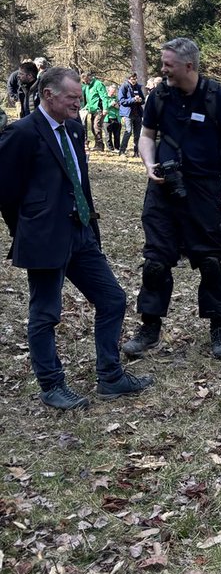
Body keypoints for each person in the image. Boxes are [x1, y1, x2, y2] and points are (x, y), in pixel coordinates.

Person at [0, 67, 151, 409]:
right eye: (72, 97)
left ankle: (110, 377)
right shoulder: (22, 133)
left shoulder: (73, 126)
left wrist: (89, 226)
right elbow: (5, 192)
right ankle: (52, 385)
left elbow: (79, 181)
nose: (78, 103)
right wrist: (26, 228)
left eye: (79, 98)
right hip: (44, 237)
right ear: (48, 95)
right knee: (46, 313)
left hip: (81, 233)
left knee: (112, 298)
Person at [125, 38, 221, 361]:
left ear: (188, 66)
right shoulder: (159, 96)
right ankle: (150, 326)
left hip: (206, 190)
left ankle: (218, 326)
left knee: (210, 262)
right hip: (163, 189)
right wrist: (149, 164)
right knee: (155, 261)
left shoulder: (216, 96)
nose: (163, 69)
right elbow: (146, 136)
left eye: (168, 64)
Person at [118, 72, 145, 157]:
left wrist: (140, 100)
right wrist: (133, 99)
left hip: (138, 113)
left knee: (137, 134)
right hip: (128, 113)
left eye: (135, 79)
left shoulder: (138, 87)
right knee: (128, 131)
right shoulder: (124, 87)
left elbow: (143, 100)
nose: (134, 81)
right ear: (129, 79)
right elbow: (122, 101)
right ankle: (122, 151)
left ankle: (136, 152)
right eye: (133, 79)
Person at [81, 72, 109, 152]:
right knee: (93, 128)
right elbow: (89, 100)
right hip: (92, 109)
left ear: (89, 78)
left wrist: (105, 108)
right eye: (84, 81)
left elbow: (104, 97)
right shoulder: (87, 86)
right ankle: (97, 144)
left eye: (86, 81)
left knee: (97, 126)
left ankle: (100, 145)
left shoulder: (98, 84)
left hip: (99, 109)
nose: (85, 83)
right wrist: (85, 108)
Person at [104, 84, 122, 151]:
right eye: (112, 91)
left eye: (114, 91)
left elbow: (119, 107)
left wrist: (117, 106)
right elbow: (105, 107)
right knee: (108, 135)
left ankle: (117, 148)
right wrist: (110, 104)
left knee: (117, 135)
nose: (113, 93)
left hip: (116, 118)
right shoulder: (105, 98)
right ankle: (110, 148)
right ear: (109, 90)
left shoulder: (116, 98)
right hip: (108, 118)